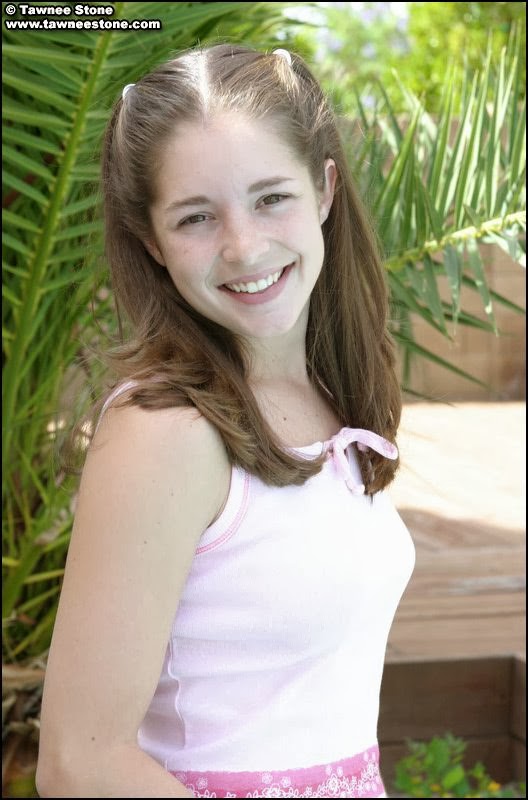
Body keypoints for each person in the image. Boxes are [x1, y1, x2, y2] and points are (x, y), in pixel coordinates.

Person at [36, 43, 415, 799]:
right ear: (152, 241)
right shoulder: (166, 431)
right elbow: (80, 763)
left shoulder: (325, 395)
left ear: (325, 190)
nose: (243, 246)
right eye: (196, 217)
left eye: (271, 198)